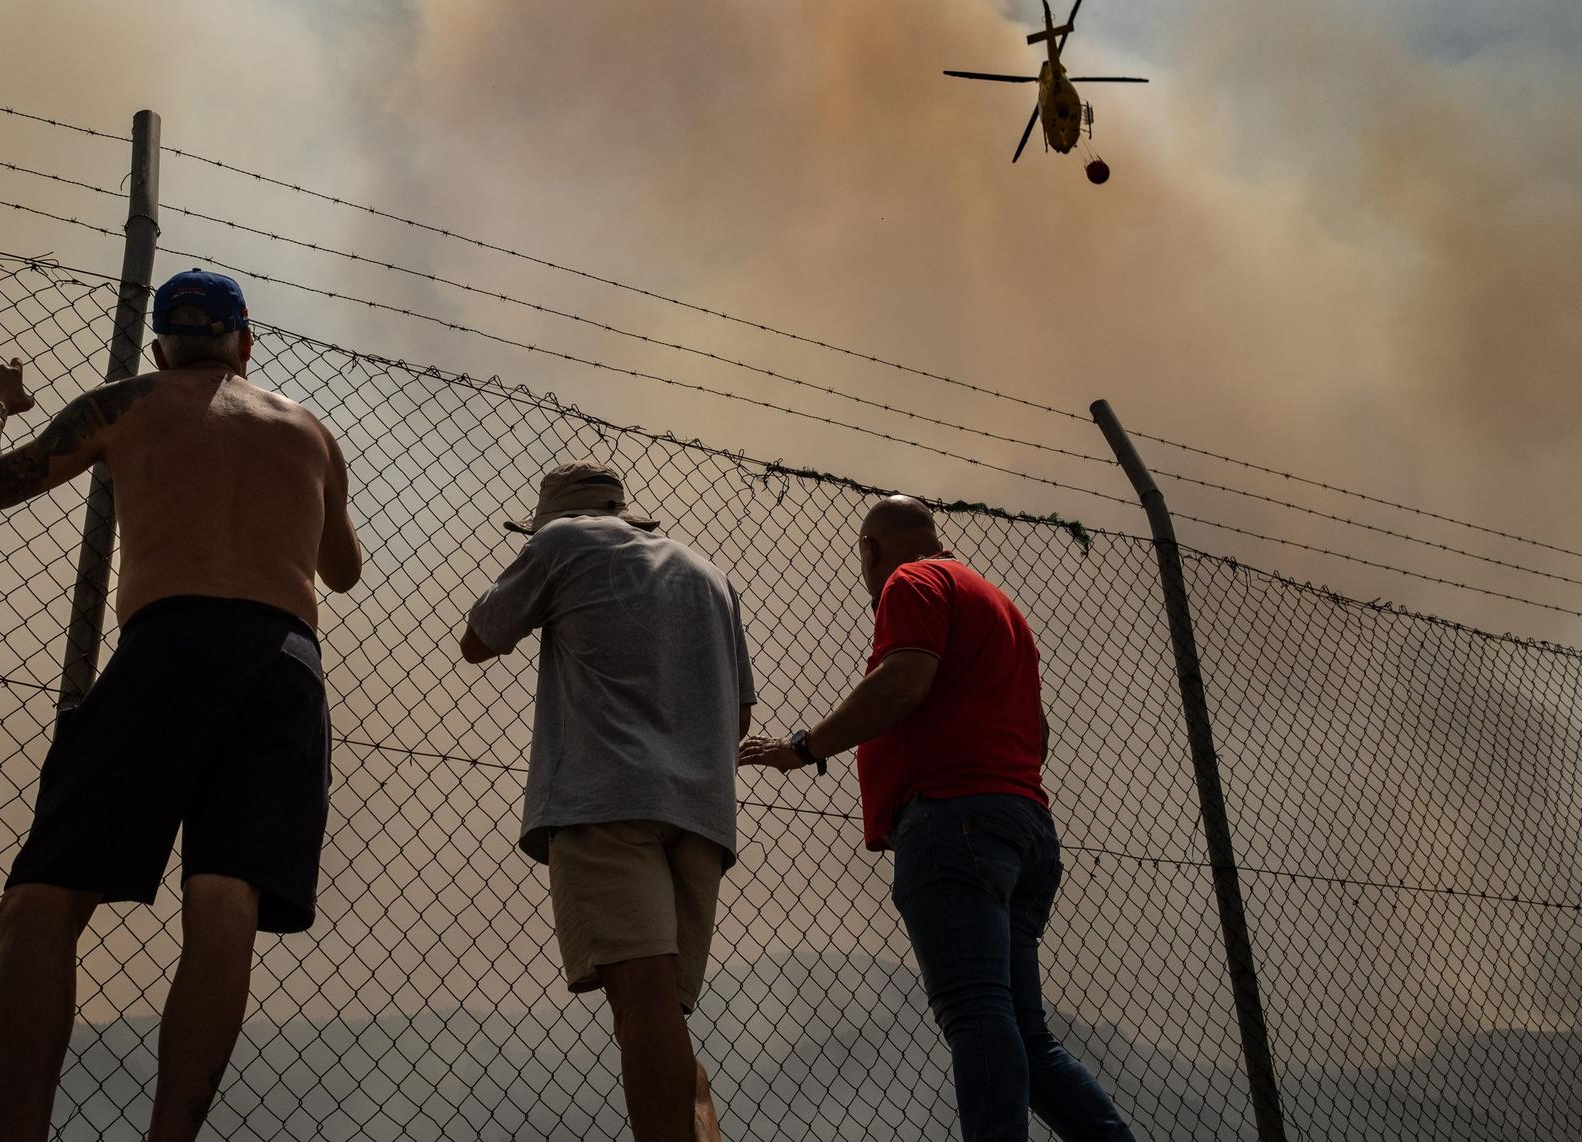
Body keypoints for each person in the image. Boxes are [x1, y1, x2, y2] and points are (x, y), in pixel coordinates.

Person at [0, 268, 361, 1142]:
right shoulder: (310, 429)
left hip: (168, 646)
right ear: (246, 344)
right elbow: (344, 569)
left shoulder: (126, 402)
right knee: (223, 902)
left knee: (44, 898)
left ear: (159, 344)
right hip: (286, 663)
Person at [739, 495, 1136, 1142]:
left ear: (870, 549)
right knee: (1025, 1036)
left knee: (977, 1013)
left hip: (956, 825)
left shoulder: (912, 580)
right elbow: (1036, 732)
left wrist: (801, 747)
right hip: (1025, 825)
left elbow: (903, 683)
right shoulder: (999, 605)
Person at [458, 463, 754, 1142]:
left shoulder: (560, 545)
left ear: (554, 518)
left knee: (640, 1003)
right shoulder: (707, 574)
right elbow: (738, 717)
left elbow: (478, 639)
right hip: (701, 814)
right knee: (659, 1012)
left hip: (606, 799)